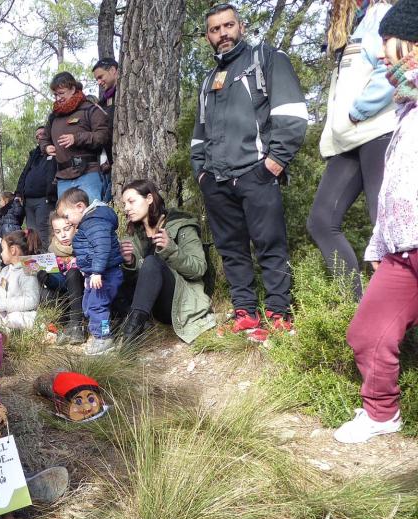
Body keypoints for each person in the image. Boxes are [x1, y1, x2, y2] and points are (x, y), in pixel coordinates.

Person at [191, 3, 308, 339]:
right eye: (215, 29)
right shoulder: (209, 80)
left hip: (257, 173)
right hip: (217, 180)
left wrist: (274, 163)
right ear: (208, 36)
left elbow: (292, 113)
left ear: (240, 27)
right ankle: (245, 312)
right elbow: (199, 135)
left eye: (228, 26)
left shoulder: (266, 58)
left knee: (270, 244)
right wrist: (202, 174)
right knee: (231, 248)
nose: (222, 34)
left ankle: (279, 312)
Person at [334, 0, 418, 444]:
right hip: (402, 250)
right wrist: (378, 244)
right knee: (366, 332)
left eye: (385, 44)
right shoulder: (406, 108)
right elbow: (395, 189)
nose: (380, 55)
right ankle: (382, 414)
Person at [308, 0, 397, 300]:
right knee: (321, 220)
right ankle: (356, 309)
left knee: (386, 225)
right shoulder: (353, 25)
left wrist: (358, 110)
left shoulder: (382, 14)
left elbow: (393, 68)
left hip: (377, 130)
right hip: (349, 140)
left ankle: (398, 321)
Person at [117, 180, 216, 344]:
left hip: (177, 304)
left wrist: (171, 249)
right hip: (148, 307)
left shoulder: (181, 225)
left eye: (131, 201)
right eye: (124, 203)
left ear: (149, 198)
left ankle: (130, 339)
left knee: (152, 262)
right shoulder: (133, 234)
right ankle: (122, 329)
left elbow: (198, 269)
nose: (126, 208)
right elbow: (135, 282)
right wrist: (129, 263)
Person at [56, 188, 123, 355]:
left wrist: (97, 272)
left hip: (104, 274)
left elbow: (101, 247)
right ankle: (102, 333)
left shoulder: (94, 222)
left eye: (66, 216)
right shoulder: (89, 222)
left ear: (80, 207)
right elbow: (90, 250)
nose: (67, 221)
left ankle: (104, 339)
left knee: (97, 306)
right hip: (98, 274)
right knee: (90, 305)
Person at [40, 71, 112, 204]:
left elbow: (103, 136)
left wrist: (77, 138)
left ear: (73, 89)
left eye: (61, 93)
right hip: (62, 178)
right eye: (55, 95)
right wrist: (46, 147)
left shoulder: (90, 109)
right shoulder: (54, 116)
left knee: (91, 214)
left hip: (89, 173)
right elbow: (44, 138)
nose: (58, 98)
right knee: (66, 220)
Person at [39, 211, 86, 345]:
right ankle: (62, 325)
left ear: (75, 226)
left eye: (67, 229)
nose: (63, 235)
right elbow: (60, 283)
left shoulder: (84, 245)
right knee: (45, 292)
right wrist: (47, 279)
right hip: (65, 296)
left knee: (73, 272)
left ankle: (77, 325)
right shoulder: (52, 252)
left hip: (85, 292)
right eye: (58, 232)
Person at [0, 229, 43, 330]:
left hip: (23, 314)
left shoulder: (27, 271)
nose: (1, 254)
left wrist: (5, 304)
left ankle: (2, 328)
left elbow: (32, 300)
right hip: (4, 311)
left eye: (3, 250)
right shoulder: (5, 270)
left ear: (13, 250)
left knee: (14, 318)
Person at [15, 126, 58, 240]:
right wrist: (19, 193)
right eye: (37, 136)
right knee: (31, 232)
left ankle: (45, 256)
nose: (39, 137)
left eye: (41, 134)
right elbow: (24, 174)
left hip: (45, 198)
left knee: (43, 229)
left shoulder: (55, 150)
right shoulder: (34, 155)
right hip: (28, 200)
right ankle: (35, 256)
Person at [91, 57, 119, 178]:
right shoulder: (103, 101)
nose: (99, 82)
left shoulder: (127, 93)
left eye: (100, 77)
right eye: (97, 79)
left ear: (113, 70)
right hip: (111, 161)